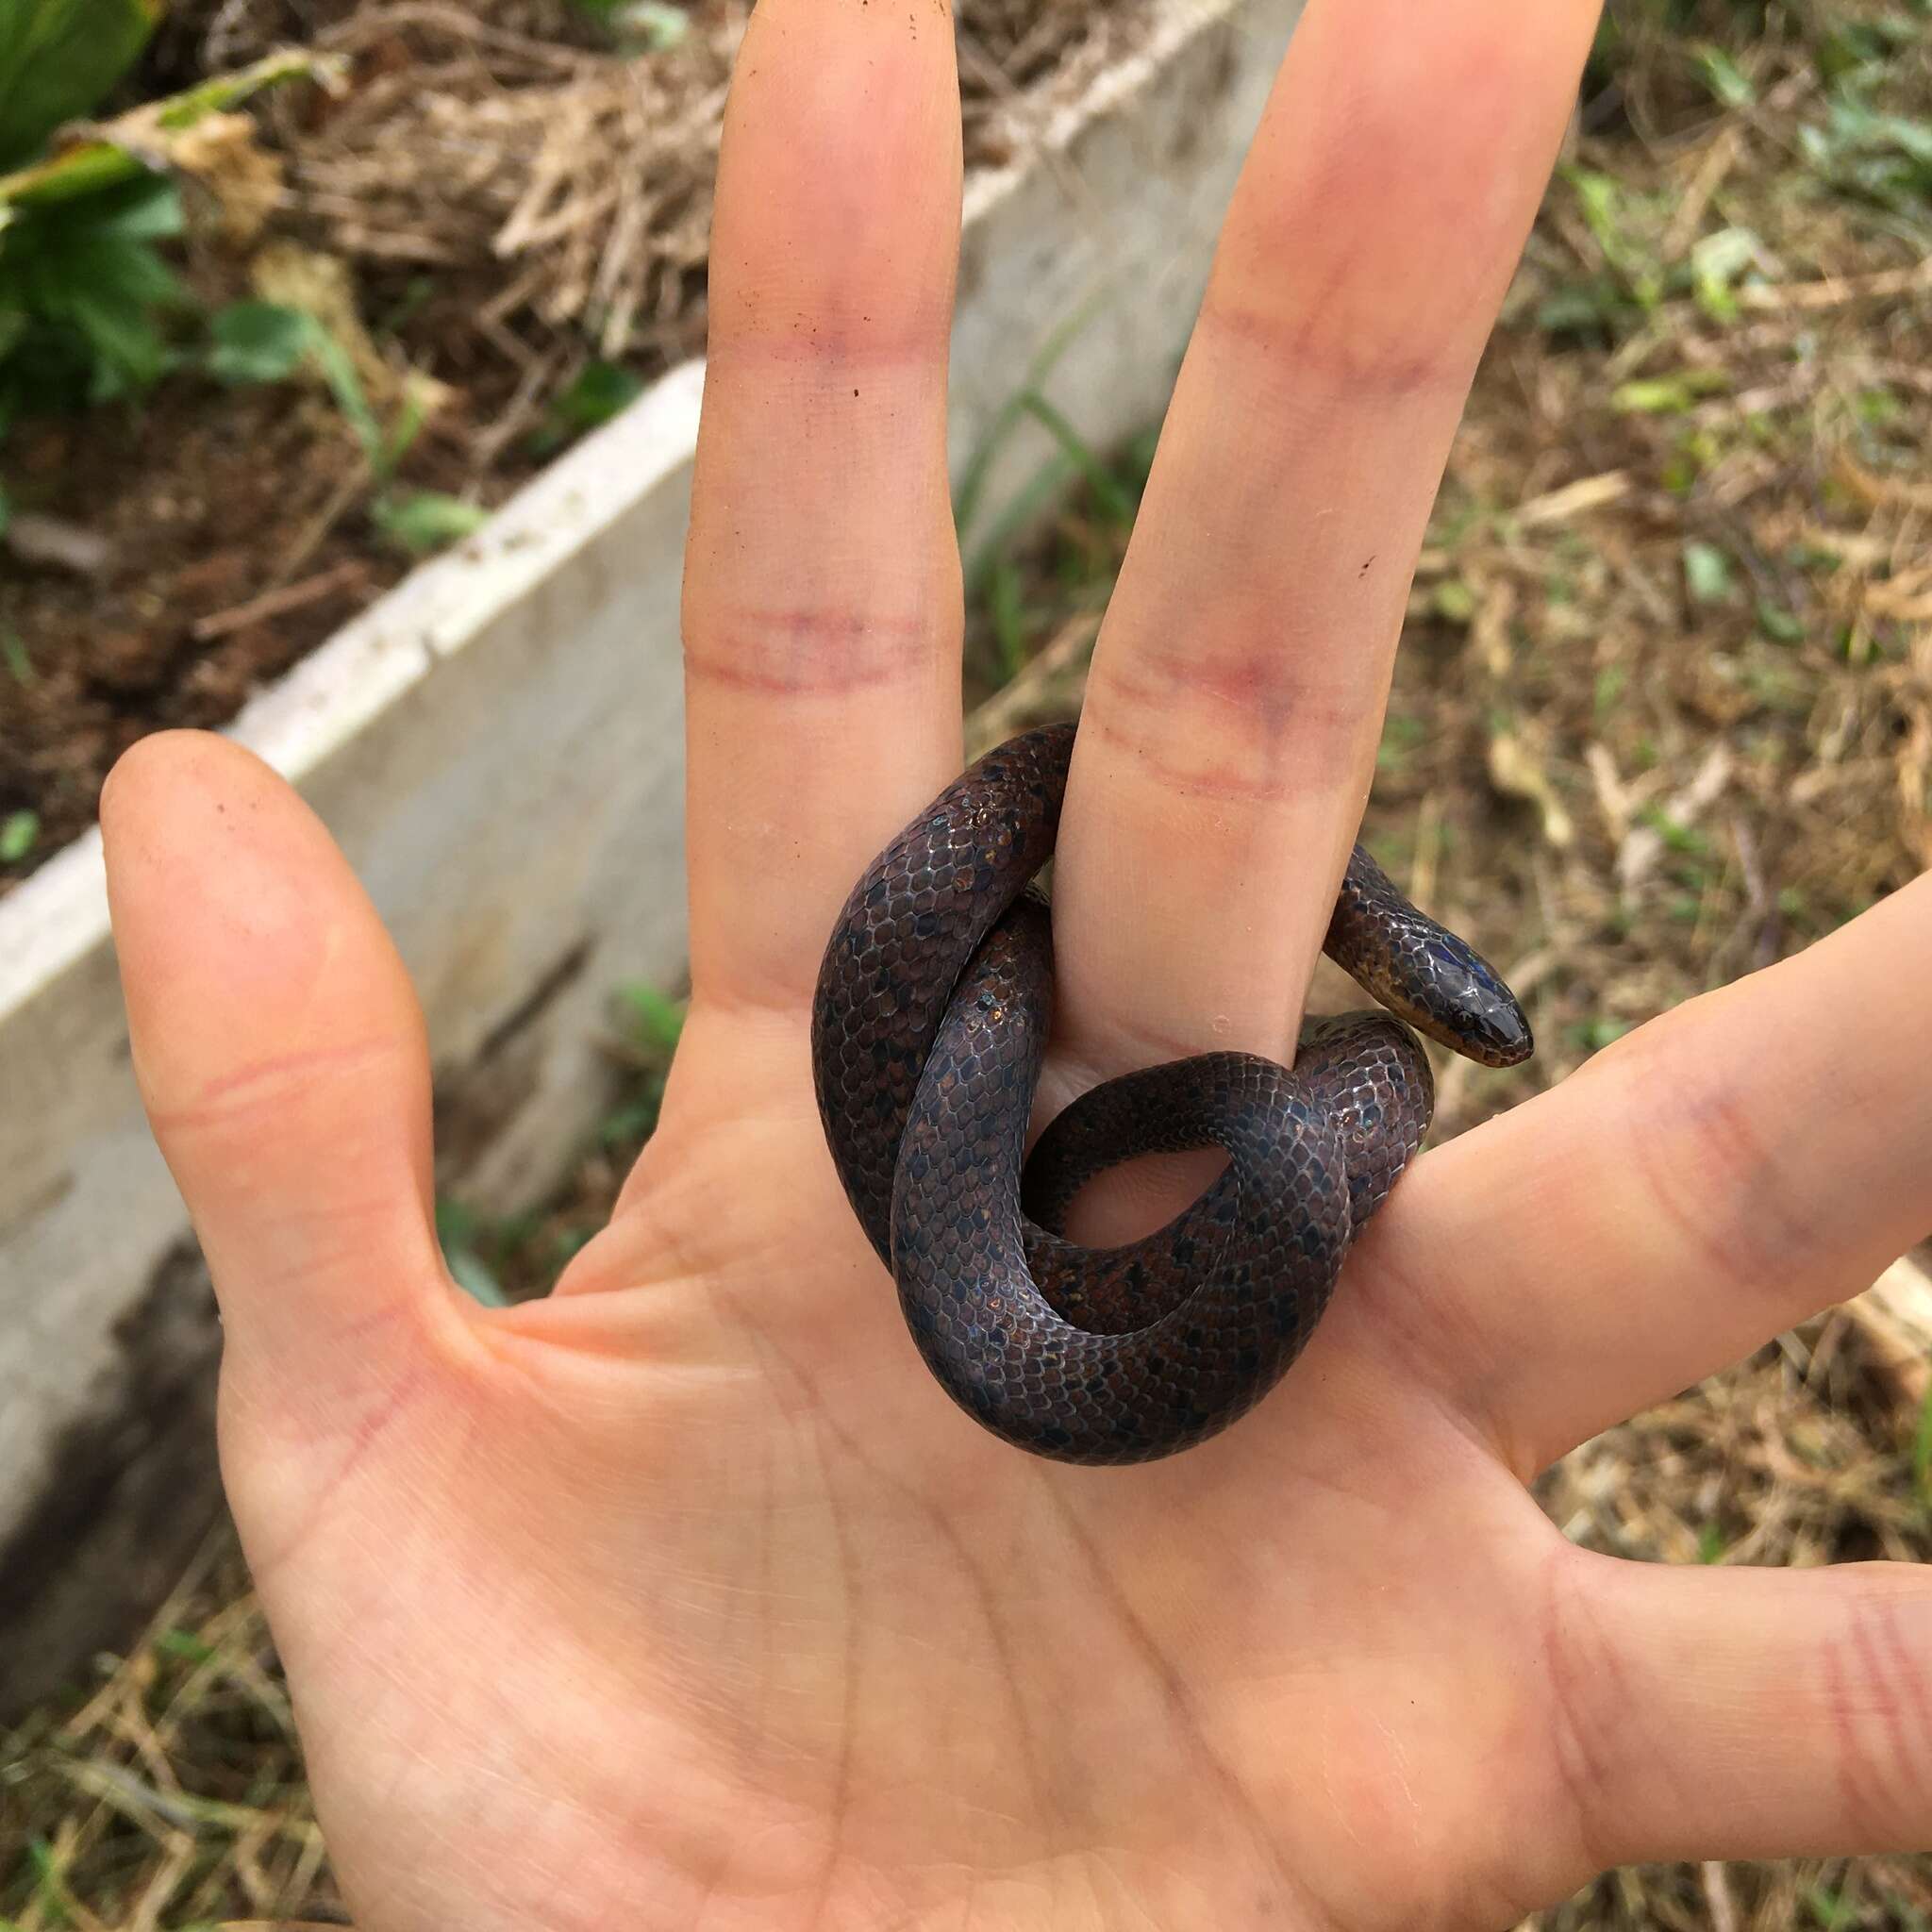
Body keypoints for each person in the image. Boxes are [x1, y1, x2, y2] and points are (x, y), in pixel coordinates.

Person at [99, 1, 1931, 1926]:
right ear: (1417, 982)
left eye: (1461, 1030)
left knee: (1160, 1115)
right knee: (1138, 1103)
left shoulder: (1185, 1112)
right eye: (1450, 1023)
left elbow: (1116, 1139)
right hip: (1069, 1148)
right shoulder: (1156, 1071)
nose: (1464, 1042)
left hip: (1085, 1173)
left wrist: (1099, 1168)